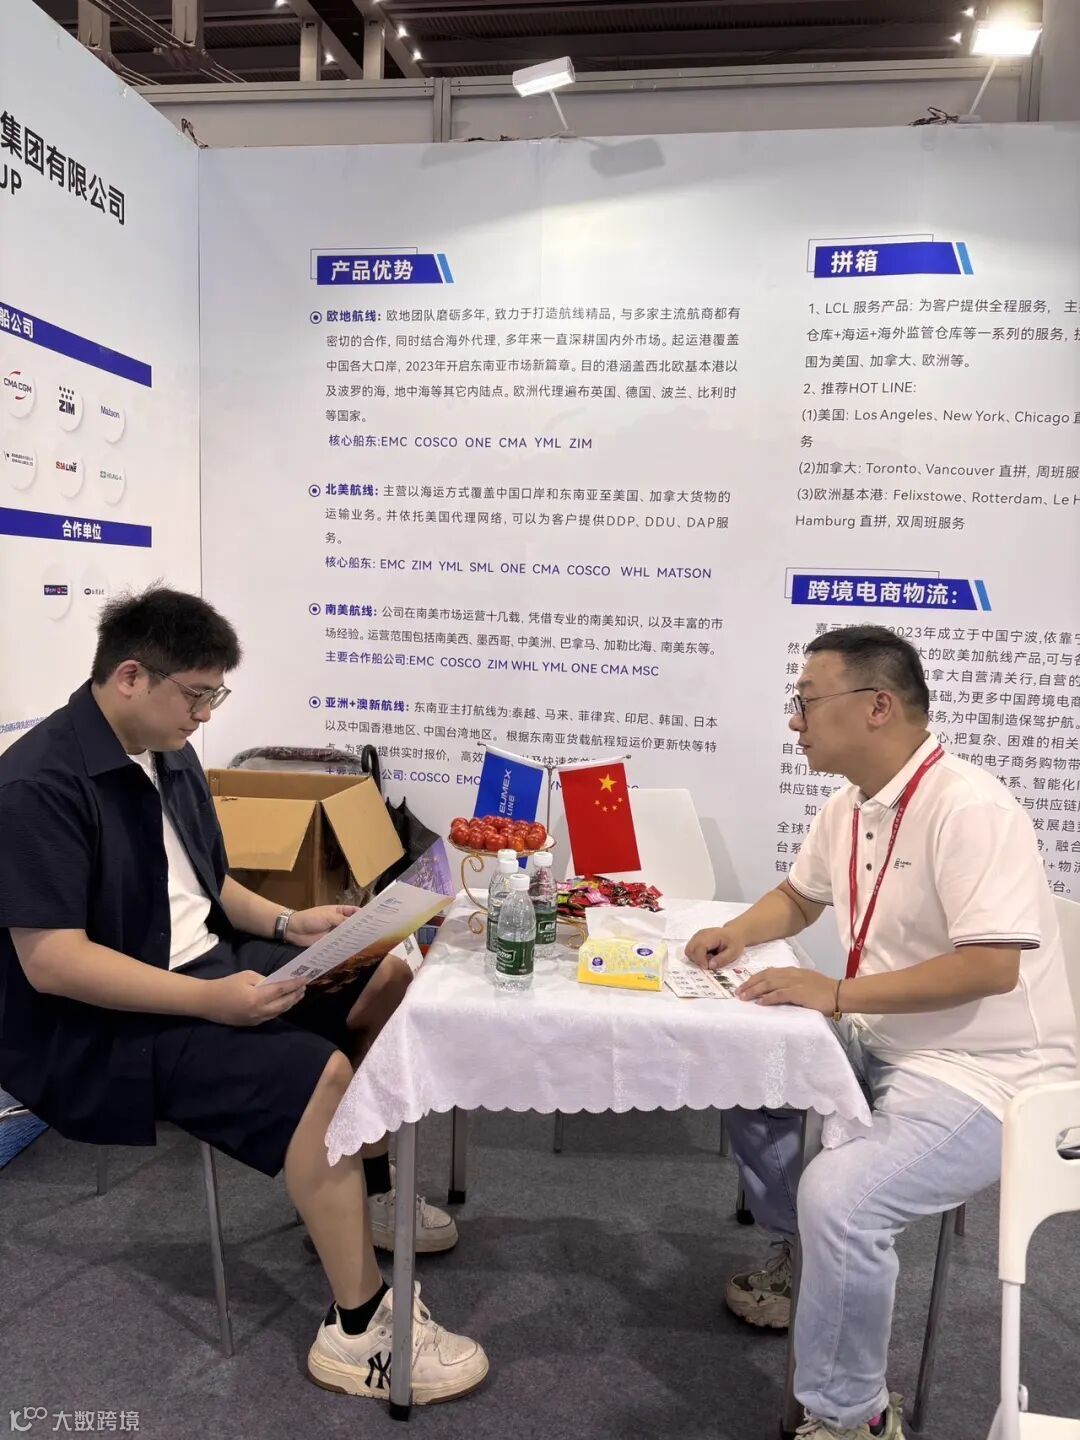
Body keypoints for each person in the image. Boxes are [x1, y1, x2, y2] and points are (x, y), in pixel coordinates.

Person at [0, 586, 487, 1405]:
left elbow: (210, 882)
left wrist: (293, 924)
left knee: (388, 977)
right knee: (319, 1076)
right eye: (197, 695)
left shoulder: (167, 749)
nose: (205, 716)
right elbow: (53, 964)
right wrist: (210, 1004)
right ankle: (357, 1330)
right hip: (107, 1022)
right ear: (130, 676)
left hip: (209, 967)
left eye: (214, 697)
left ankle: (365, 1195)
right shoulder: (37, 784)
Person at [686, 625, 1076, 1440]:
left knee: (843, 1199)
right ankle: (807, 1262)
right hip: (884, 1039)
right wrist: (735, 932)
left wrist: (834, 992)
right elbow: (799, 898)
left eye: (807, 701)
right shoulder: (849, 806)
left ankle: (853, 1417)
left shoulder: (969, 808)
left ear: (877, 706)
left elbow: (992, 967)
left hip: (989, 1074)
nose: (795, 720)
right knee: (747, 1064)